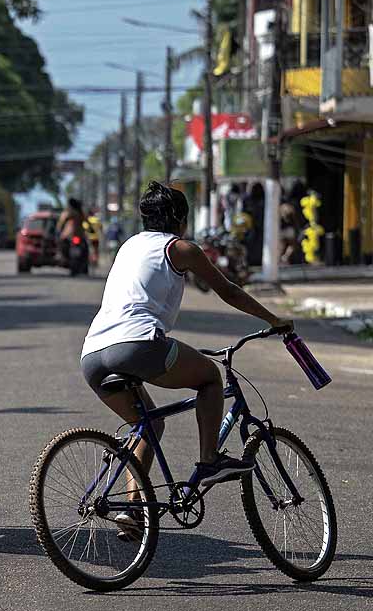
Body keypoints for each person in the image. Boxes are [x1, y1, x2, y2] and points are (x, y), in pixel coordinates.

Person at [80, 182, 292, 537]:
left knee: (148, 424)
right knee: (209, 377)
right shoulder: (180, 248)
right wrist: (274, 320)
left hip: (92, 354)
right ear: (180, 218)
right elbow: (227, 290)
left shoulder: (129, 245)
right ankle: (209, 460)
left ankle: (131, 509)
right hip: (137, 344)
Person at [57, 198, 87, 263]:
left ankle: (61, 256)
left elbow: (61, 223)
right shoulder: (80, 213)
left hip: (70, 236)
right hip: (76, 236)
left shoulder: (68, 213)